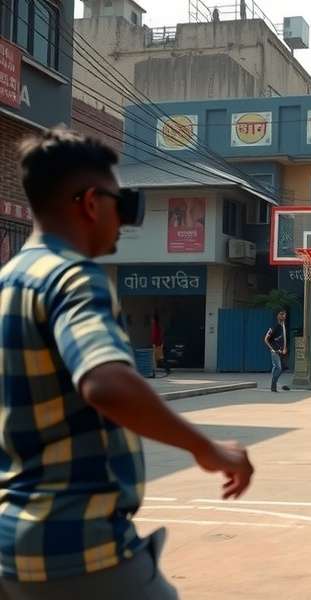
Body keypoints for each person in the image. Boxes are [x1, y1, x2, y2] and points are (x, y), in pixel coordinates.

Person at [0, 128, 254, 599]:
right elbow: (106, 383)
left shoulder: (9, 281)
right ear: (92, 204)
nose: (127, 221)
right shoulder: (73, 277)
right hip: (78, 547)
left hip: (11, 545)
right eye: (127, 204)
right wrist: (207, 448)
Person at [264, 309, 290, 392]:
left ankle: (274, 383)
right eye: (281, 314)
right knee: (278, 368)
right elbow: (266, 339)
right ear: (277, 316)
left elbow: (284, 338)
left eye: (284, 314)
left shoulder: (284, 326)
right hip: (275, 351)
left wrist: (285, 348)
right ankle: (273, 385)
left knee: (281, 368)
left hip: (282, 351)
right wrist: (273, 349)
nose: (283, 316)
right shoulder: (274, 327)